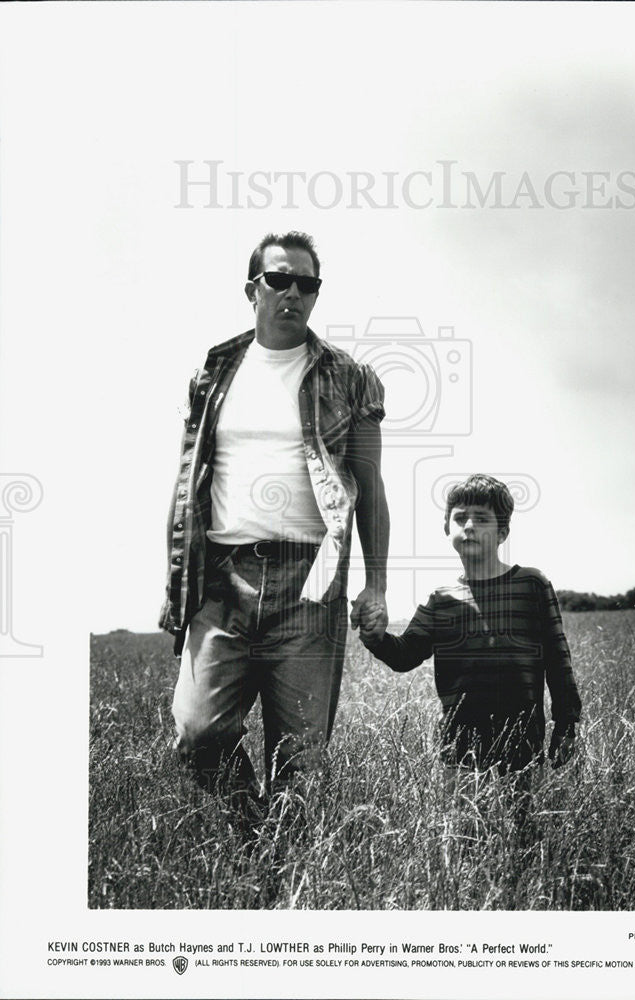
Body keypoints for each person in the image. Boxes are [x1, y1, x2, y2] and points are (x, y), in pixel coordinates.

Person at [159, 231, 389, 812]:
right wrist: (177, 575)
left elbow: (370, 487)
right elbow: (190, 478)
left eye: (307, 283)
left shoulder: (349, 377)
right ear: (252, 289)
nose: (293, 292)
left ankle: (279, 881)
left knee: (302, 762)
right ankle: (254, 833)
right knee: (198, 732)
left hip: (310, 583)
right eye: (279, 280)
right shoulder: (213, 373)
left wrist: (378, 583)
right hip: (221, 577)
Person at [358, 474, 579, 775]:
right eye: (460, 518)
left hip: (523, 744)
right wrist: (376, 638)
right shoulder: (440, 598)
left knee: (524, 822)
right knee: (464, 822)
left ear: (503, 532)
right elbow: (405, 655)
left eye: (482, 519)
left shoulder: (532, 583)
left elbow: (557, 659)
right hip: (459, 749)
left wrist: (566, 725)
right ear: (447, 529)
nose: (470, 526)